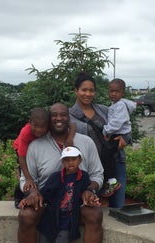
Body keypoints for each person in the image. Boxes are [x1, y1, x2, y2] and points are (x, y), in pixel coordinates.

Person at [11, 103, 104, 243]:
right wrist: (33, 192)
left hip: (77, 199)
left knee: (95, 215)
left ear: (69, 117)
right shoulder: (36, 145)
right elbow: (25, 178)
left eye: (63, 115)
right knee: (26, 216)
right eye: (54, 115)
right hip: (47, 202)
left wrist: (90, 189)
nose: (59, 118)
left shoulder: (85, 142)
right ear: (48, 119)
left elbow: (97, 173)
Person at [32, 146, 92, 243]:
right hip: (50, 220)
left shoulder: (83, 177)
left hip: (67, 223)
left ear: (80, 160)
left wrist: (94, 197)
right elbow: (45, 194)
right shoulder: (56, 177)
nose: (70, 163)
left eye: (73, 159)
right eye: (66, 160)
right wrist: (33, 197)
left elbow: (87, 193)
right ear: (62, 162)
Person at [69, 73, 131, 207]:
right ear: (76, 91)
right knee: (91, 207)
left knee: (118, 207)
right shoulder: (69, 116)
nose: (88, 94)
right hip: (89, 168)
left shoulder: (105, 110)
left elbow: (124, 125)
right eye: (84, 90)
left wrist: (126, 138)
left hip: (115, 162)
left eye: (91, 90)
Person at [13, 108, 76, 199]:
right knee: (25, 175)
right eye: (35, 126)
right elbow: (21, 157)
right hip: (22, 149)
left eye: (42, 127)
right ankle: (19, 195)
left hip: (39, 146)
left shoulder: (50, 127)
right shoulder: (26, 132)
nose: (38, 129)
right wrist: (28, 179)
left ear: (48, 124)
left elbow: (73, 125)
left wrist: (70, 137)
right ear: (30, 123)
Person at [100, 78, 136, 197]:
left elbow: (117, 123)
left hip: (121, 135)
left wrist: (106, 131)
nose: (113, 94)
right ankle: (110, 180)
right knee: (107, 155)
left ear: (123, 93)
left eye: (117, 91)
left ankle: (111, 181)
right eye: (111, 91)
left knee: (106, 155)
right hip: (118, 134)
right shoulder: (116, 104)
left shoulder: (120, 105)